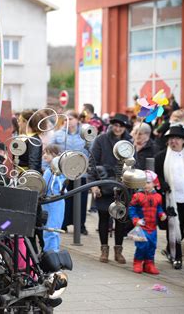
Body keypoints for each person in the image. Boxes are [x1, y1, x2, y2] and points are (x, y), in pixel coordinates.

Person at [89, 113, 131, 264]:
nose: (118, 128)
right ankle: (104, 249)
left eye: (121, 126)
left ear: (125, 127)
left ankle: (118, 250)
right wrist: (93, 185)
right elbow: (92, 163)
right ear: (111, 125)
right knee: (104, 218)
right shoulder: (101, 140)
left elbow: (135, 163)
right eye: (116, 125)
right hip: (104, 184)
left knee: (121, 219)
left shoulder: (129, 141)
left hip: (122, 187)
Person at [154, 126, 184, 270]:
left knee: (183, 228)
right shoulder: (161, 156)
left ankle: (170, 249)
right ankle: (177, 257)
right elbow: (156, 174)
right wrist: (162, 184)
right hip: (170, 198)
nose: (173, 141)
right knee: (173, 227)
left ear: (183, 141)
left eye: (176, 138)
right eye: (171, 139)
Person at [51, 110, 89, 235]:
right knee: (65, 199)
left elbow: (91, 151)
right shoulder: (58, 134)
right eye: (66, 119)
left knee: (82, 200)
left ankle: (80, 225)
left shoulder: (85, 133)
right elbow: (51, 151)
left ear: (78, 120)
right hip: (64, 172)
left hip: (80, 171)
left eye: (71, 119)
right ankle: (64, 223)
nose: (68, 122)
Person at [128, 170, 167, 274]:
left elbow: (158, 208)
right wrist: (135, 219)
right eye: (143, 182)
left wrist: (161, 214)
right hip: (142, 226)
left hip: (152, 227)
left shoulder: (158, 197)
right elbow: (132, 208)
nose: (146, 185)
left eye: (148, 182)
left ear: (154, 183)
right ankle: (137, 262)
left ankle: (149, 264)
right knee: (142, 246)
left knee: (152, 246)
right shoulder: (137, 196)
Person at [41, 144, 66, 252]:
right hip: (55, 203)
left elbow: (43, 188)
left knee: (50, 230)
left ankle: (51, 253)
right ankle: (53, 252)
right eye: (44, 153)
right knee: (54, 229)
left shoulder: (51, 171)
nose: (44, 155)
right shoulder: (56, 171)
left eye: (47, 153)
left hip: (52, 203)